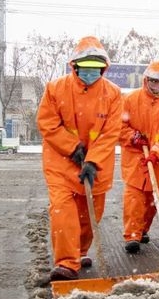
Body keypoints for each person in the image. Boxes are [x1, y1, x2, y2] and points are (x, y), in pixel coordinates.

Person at [37, 36, 122, 281]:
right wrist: (72, 147)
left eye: (95, 69)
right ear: (74, 66)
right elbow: (48, 123)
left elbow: (110, 133)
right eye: (85, 69)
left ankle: (80, 249)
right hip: (61, 162)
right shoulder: (56, 89)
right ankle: (66, 263)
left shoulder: (113, 94)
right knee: (63, 210)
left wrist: (92, 161)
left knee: (88, 215)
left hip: (96, 165)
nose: (90, 74)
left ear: (103, 68)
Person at [119, 60, 159, 253]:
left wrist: (158, 152)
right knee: (134, 199)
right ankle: (132, 235)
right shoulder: (131, 99)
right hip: (135, 159)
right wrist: (133, 137)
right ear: (146, 80)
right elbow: (119, 126)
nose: (156, 87)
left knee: (152, 200)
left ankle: (143, 229)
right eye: (153, 82)